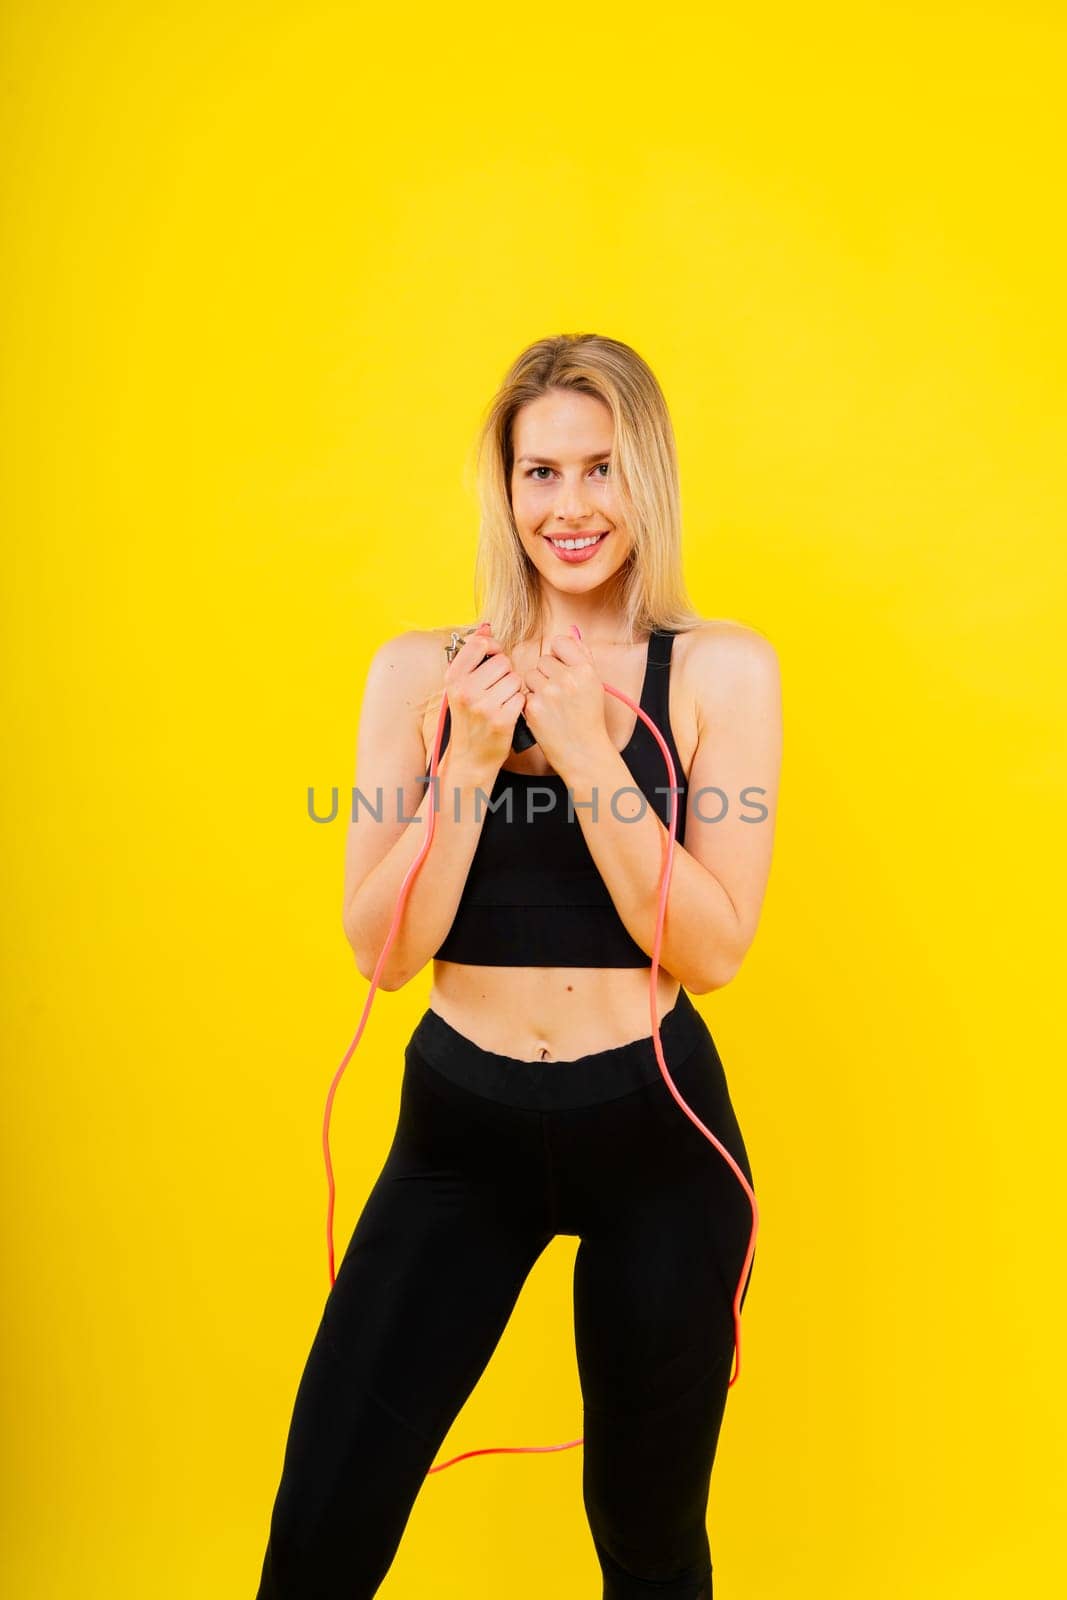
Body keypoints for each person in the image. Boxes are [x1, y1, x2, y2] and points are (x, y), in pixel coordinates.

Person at [255, 333, 782, 1599]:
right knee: (324, 1516)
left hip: (656, 1133)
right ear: (501, 489)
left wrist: (592, 753)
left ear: (643, 476)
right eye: (538, 473)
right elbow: (385, 955)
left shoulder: (718, 670)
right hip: (461, 1131)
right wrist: (471, 760)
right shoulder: (418, 674)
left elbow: (709, 949)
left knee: (647, 1537)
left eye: (599, 468)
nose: (570, 506)